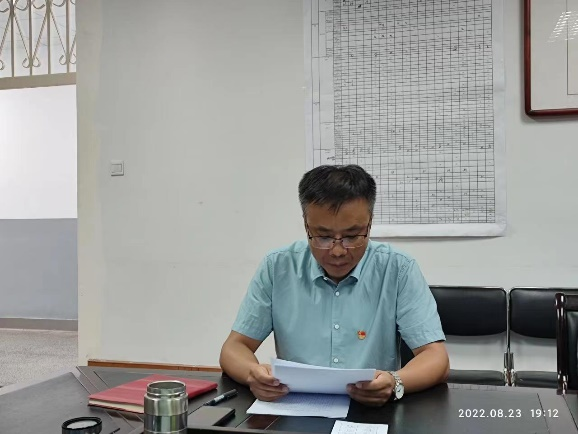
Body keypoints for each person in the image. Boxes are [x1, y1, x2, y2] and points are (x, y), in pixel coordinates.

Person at [219, 164, 449, 406]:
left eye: (352, 236)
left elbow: (436, 358)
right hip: (295, 408)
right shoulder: (278, 267)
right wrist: (252, 374)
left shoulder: (398, 269)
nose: (337, 251)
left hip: (372, 410)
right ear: (306, 225)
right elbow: (235, 347)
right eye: (323, 236)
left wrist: (395, 381)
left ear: (369, 223)